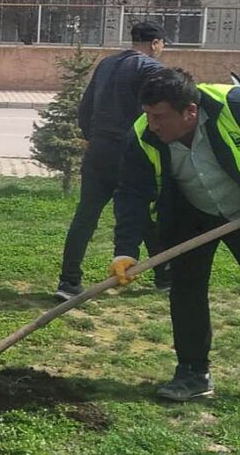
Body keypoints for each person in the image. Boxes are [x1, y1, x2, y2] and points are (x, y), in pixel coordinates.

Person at [111, 68, 240, 418]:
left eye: (160, 116)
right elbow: (131, 193)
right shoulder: (143, 135)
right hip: (190, 213)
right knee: (186, 290)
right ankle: (193, 373)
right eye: (148, 114)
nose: (153, 124)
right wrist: (126, 249)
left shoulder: (236, 105)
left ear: (190, 111)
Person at [53, 21, 169, 301]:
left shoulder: (106, 65)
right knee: (140, 210)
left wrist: (92, 137)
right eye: (162, 44)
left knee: (86, 215)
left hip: (99, 149)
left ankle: (68, 282)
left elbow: (85, 109)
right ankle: (165, 276)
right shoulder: (152, 70)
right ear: (156, 43)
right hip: (131, 152)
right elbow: (162, 112)